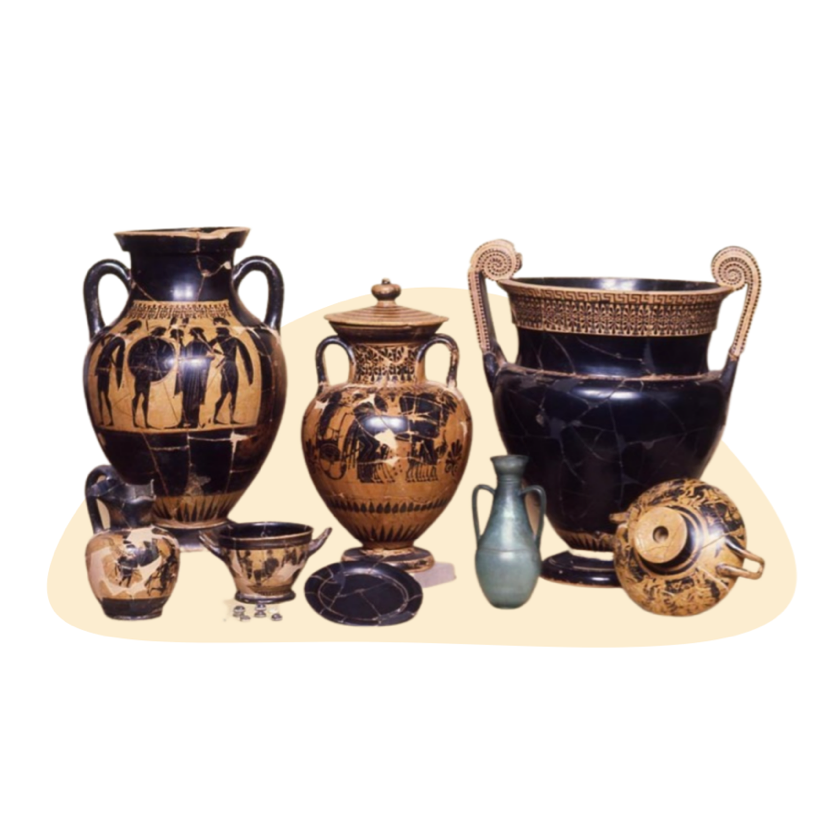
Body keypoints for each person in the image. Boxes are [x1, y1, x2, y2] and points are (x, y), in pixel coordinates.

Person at [127, 326, 175, 428]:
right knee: (137, 396)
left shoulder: (156, 342)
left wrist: (155, 361)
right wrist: (148, 355)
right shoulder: (145, 341)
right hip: (141, 372)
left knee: (146, 397)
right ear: (157, 332)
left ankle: (146, 422)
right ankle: (133, 421)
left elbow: (155, 357)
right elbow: (136, 354)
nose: (160, 336)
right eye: (160, 334)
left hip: (149, 373)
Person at [209, 327, 254, 424]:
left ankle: (222, 418)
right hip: (231, 366)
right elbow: (245, 357)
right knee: (231, 393)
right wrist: (249, 373)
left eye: (218, 332)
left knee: (227, 393)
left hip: (226, 365)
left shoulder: (219, 339)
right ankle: (225, 418)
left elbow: (207, 346)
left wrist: (218, 352)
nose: (218, 334)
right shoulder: (234, 340)